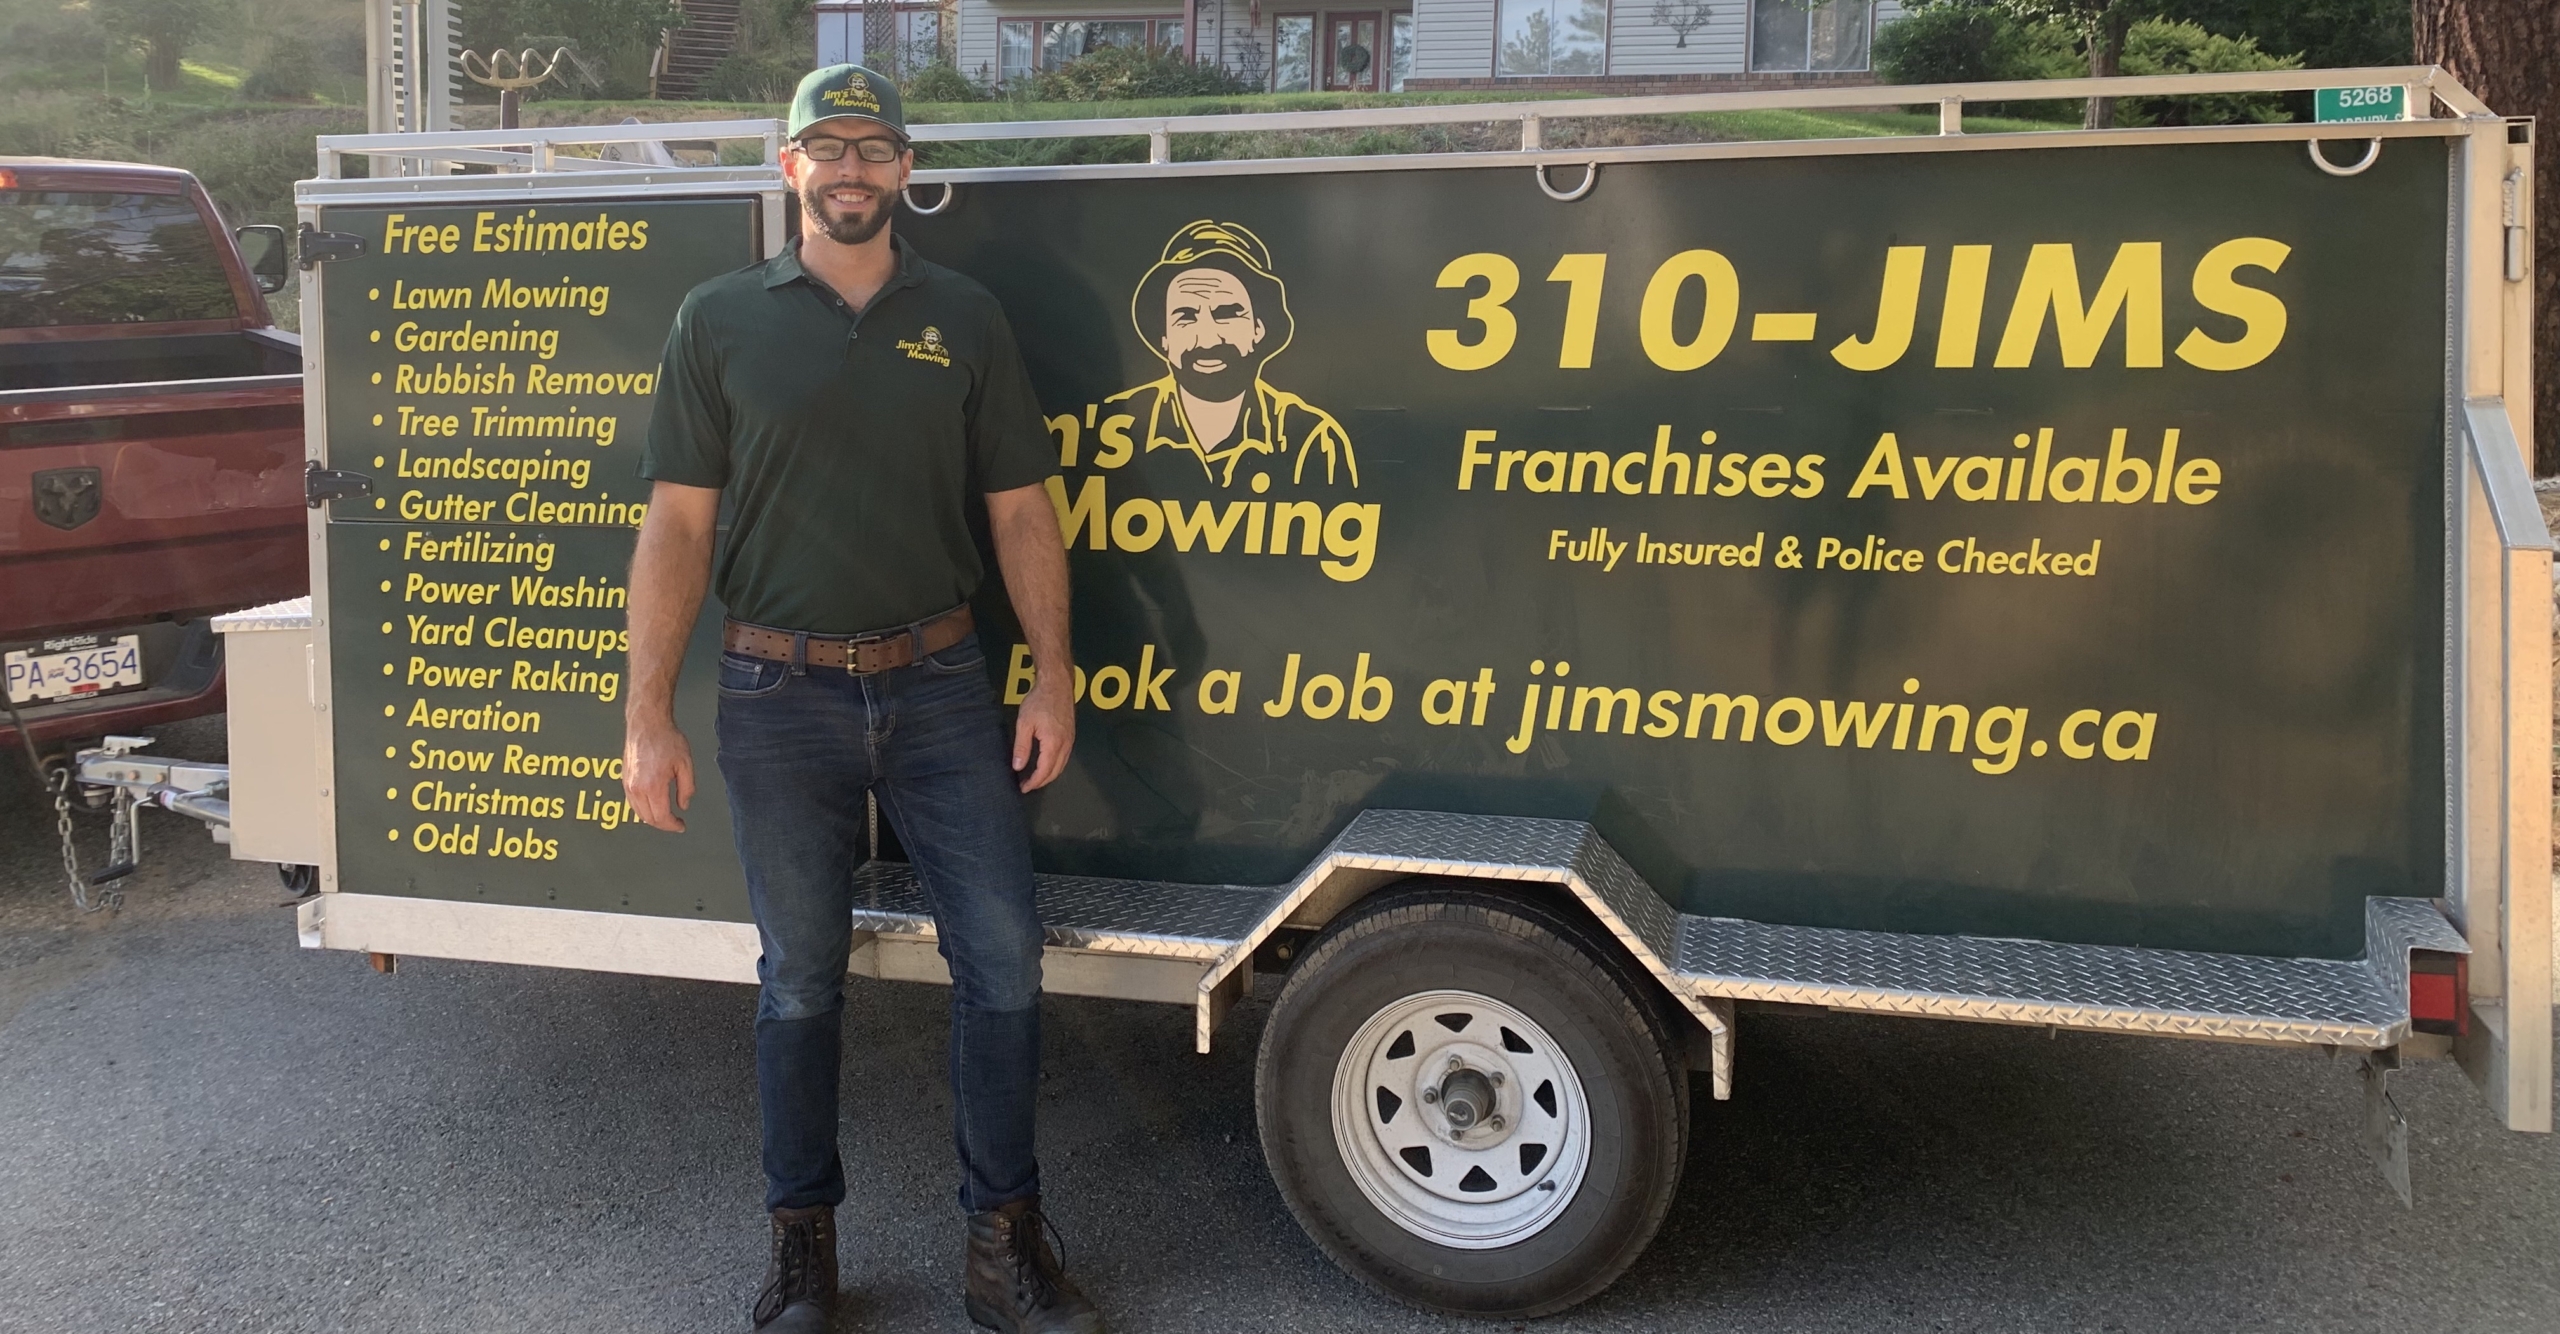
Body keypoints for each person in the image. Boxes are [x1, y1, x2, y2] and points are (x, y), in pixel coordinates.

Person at [620, 63, 1101, 1334]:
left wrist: (1050, 676)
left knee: (1001, 961)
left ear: (904, 171)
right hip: (776, 697)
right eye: (824, 147)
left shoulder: (967, 314)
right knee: (799, 981)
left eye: (872, 147)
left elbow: (1020, 511)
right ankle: (802, 1255)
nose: (849, 169)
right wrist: (646, 710)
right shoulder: (717, 319)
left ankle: (1004, 1249)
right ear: (787, 169)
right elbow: (675, 525)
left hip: (945, 686)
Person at [1106, 219, 1357, 491]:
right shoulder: (1110, 429)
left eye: (1226, 314)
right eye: (1186, 317)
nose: (1207, 338)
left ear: (1259, 329)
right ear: (1164, 337)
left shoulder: (1313, 440)